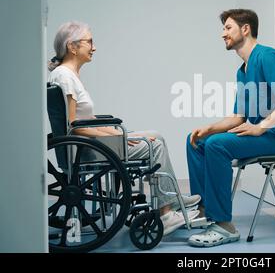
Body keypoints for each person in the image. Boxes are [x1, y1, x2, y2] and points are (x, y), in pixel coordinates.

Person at [48, 21, 200, 236]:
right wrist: (117, 136)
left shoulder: (66, 75)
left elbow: (85, 121)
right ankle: (166, 212)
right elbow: (75, 127)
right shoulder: (65, 76)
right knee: (153, 145)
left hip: (88, 143)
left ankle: (170, 197)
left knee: (155, 135)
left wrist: (117, 134)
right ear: (72, 47)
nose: (94, 47)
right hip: (86, 149)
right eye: (89, 41)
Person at [186, 9, 275, 247]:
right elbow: (239, 117)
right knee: (197, 140)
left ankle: (223, 225)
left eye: (227, 27)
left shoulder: (267, 57)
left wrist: (261, 127)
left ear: (245, 29)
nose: (223, 34)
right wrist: (208, 128)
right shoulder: (243, 70)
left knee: (218, 145)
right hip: (263, 134)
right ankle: (203, 212)